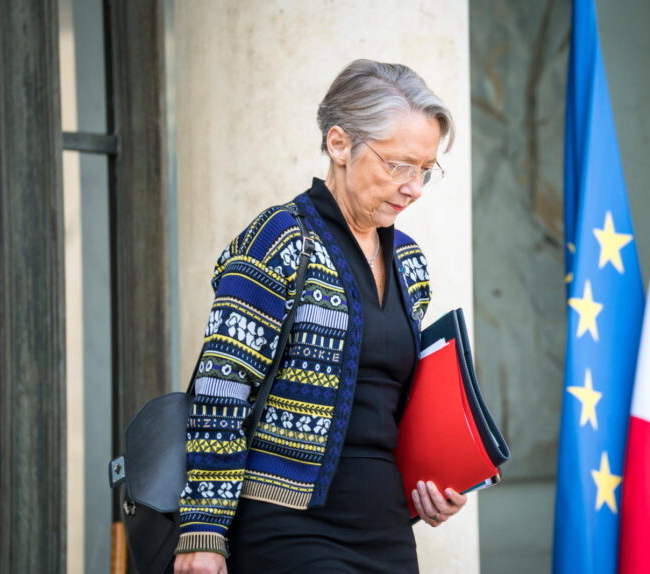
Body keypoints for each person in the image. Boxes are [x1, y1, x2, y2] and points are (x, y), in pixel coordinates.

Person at [174, 59, 466, 574]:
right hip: (289, 530)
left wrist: (433, 482)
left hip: (386, 529)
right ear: (339, 144)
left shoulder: (409, 262)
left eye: (425, 169)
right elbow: (222, 388)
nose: (414, 187)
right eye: (398, 165)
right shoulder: (280, 239)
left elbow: (396, 406)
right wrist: (204, 529)